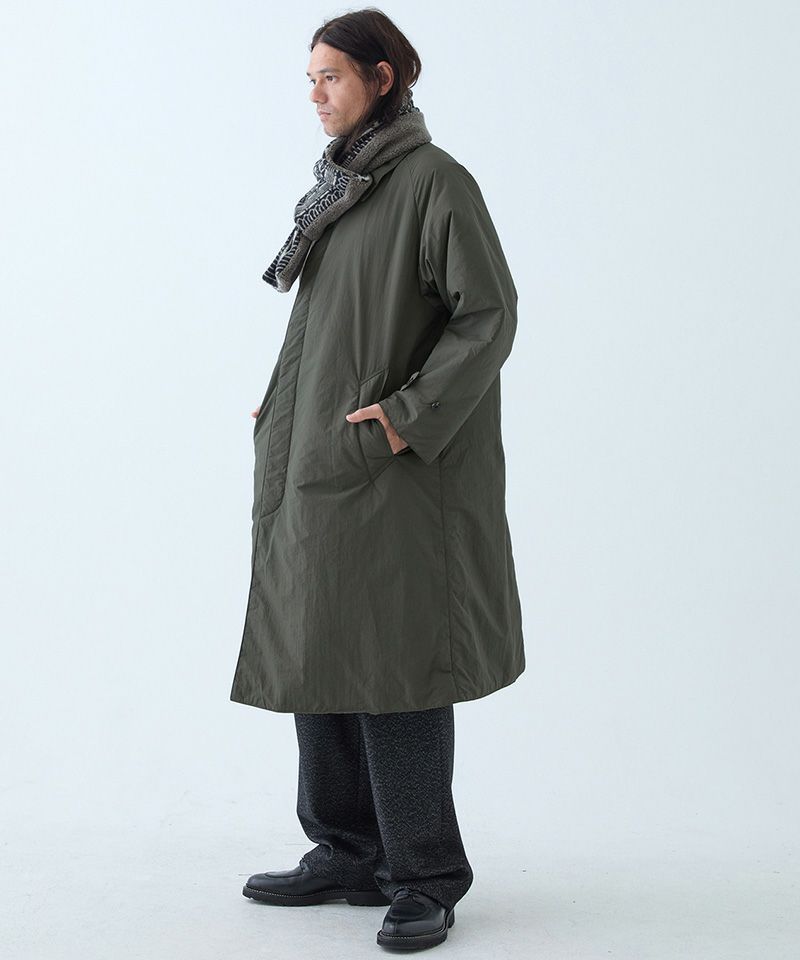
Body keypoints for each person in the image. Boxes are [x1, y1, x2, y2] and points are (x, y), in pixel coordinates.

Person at [230, 8, 526, 951]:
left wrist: (406, 416)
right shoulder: (343, 188)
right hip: (319, 460)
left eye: (331, 76)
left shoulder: (432, 182)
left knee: (397, 669)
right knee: (320, 652)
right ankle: (348, 851)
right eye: (310, 79)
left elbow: (489, 315)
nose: (315, 95)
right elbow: (332, 325)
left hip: (394, 474)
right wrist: (283, 405)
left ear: (384, 77)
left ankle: (425, 875)